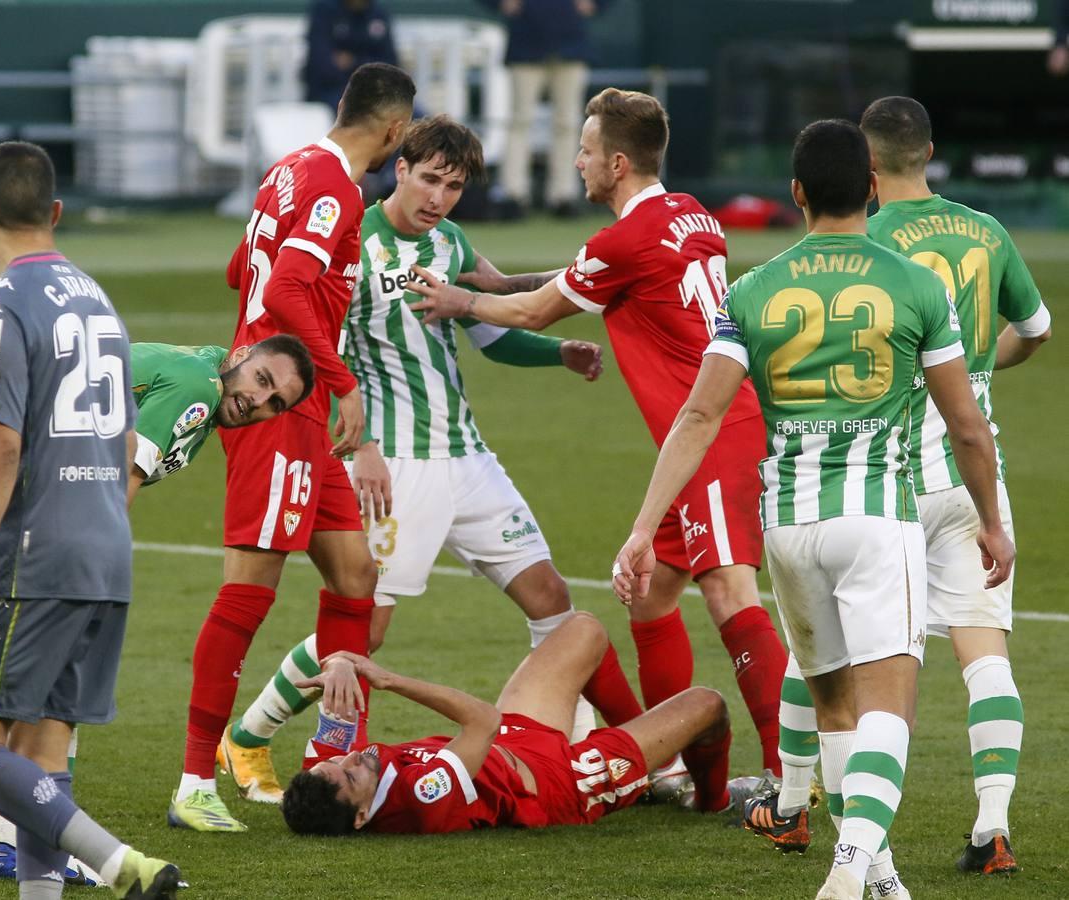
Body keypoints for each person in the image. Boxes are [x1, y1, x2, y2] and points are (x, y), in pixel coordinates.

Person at [612, 119, 1015, 900]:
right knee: (887, 705)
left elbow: (698, 420)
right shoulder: (913, 284)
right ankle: (847, 868)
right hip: (875, 517)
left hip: (786, 528)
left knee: (829, 698)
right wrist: (991, 519)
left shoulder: (753, 289)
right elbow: (966, 425)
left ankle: (880, 874)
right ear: (871, 187)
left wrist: (640, 527)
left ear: (793, 193)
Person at [218, 115, 642, 804]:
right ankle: (248, 735)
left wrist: (557, 352)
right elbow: (314, 354)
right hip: (395, 464)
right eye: (430, 179)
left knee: (551, 599)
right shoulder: (351, 239)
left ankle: (578, 747)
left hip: (468, 459)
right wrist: (361, 449)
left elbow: (489, 324)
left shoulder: (450, 243)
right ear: (401, 167)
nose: (439, 197)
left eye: (454, 185)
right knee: (368, 628)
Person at [407, 88, 789, 789]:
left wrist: (460, 300)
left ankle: (789, 776)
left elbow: (537, 309)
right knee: (650, 600)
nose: (577, 163)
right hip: (705, 438)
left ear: (616, 162)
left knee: (733, 595)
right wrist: (485, 278)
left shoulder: (627, 238)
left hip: (713, 437)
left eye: (584, 152)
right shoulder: (688, 213)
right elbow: (576, 278)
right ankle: (670, 766)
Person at [753, 97, 1052, 882]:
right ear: (931, 152)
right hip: (973, 469)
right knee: (985, 651)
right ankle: (993, 825)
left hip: (886, 475)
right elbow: (1040, 328)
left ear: (868, 169)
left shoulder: (864, 240)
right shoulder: (988, 230)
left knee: (828, 652)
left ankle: (795, 807)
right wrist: (976, 373)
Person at [0, 335, 312, 883]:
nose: (258, 402)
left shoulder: (191, 367)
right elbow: (121, 474)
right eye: (262, 381)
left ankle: (16, 843)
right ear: (241, 357)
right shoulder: (198, 386)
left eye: (275, 404)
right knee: (53, 680)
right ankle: (39, 846)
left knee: (7, 671)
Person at [168, 61, 415, 832]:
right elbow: (281, 290)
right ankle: (194, 783)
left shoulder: (288, 169)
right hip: (278, 407)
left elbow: (243, 269)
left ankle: (337, 757)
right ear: (395, 131)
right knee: (249, 591)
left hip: (281, 395)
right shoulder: (339, 188)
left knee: (355, 574)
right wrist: (342, 385)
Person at [0, 141, 179, 900]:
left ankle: (114, 863)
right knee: (41, 753)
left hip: (33, 557)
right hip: (105, 550)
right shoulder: (98, 297)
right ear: (57, 212)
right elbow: (130, 438)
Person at [282, 612, 756, 835]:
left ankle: (661, 765)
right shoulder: (422, 799)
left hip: (517, 739)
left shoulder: (327, 777)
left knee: (584, 629)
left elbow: (338, 701)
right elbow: (482, 721)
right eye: (351, 776)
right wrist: (387, 680)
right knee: (708, 705)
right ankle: (710, 802)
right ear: (363, 817)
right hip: (560, 781)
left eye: (335, 764)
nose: (350, 759)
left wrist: (340, 666)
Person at [479, 0, 609, 217]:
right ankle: (513, 195)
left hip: (569, 42)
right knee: (520, 121)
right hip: (527, 40)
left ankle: (563, 196)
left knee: (567, 123)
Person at [304, 0, 400, 110]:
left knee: (415, 115)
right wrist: (369, 66)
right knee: (357, 114)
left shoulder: (379, 13)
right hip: (331, 93)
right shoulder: (324, 10)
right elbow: (322, 64)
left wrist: (353, 62)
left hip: (374, 92)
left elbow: (390, 65)